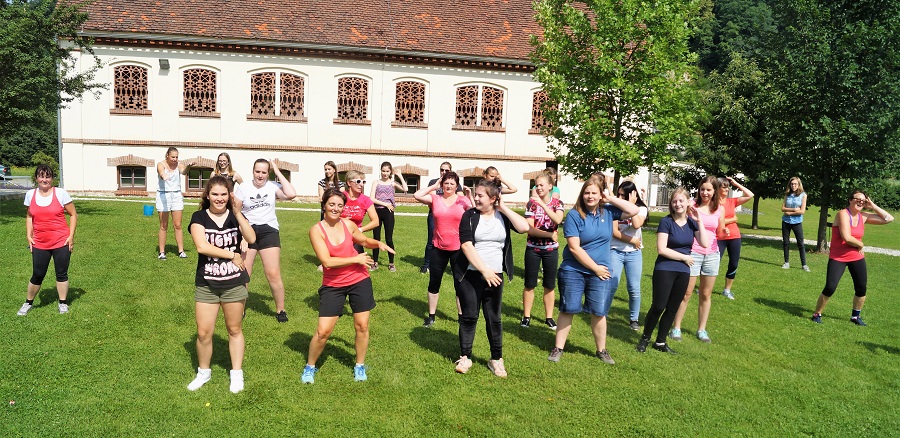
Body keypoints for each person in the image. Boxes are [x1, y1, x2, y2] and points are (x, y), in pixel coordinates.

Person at [301, 188, 394, 384]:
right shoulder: (316, 230)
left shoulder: (348, 224)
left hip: (359, 279)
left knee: (362, 325)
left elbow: (363, 240)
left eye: (340, 205)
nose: (335, 208)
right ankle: (310, 366)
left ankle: (359, 365)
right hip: (333, 284)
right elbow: (326, 261)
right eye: (331, 204)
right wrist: (356, 259)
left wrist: (378, 244)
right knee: (323, 331)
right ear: (324, 205)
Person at [547, 175, 638, 365]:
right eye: (587, 193)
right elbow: (574, 248)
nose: (590, 196)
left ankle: (601, 350)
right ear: (582, 194)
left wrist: (610, 198)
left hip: (601, 272)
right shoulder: (574, 215)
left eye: (594, 193)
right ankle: (558, 348)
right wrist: (595, 268)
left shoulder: (608, 212)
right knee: (568, 309)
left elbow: (634, 210)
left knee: (598, 311)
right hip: (574, 270)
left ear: (600, 195)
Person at [452, 180, 530, 377]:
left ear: (493, 198)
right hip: (470, 274)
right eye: (476, 195)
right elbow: (466, 245)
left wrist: (504, 208)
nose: (476, 198)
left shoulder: (502, 216)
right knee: (469, 316)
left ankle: (496, 359)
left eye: (481, 195)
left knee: (494, 318)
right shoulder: (469, 216)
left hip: (495, 276)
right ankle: (465, 357)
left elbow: (524, 227)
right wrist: (484, 270)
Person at [186, 175, 256, 393]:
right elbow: (201, 246)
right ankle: (203, 373)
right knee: (203, 332)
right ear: (208, 195)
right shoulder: (199, 217)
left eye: (223, 194)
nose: (219, 198)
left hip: (234, 283)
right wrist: (232, 255)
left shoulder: (235, 216)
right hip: (207, 283)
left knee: (234, 329)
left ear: (229, 195)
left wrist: (238, 213)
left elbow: (252, 238)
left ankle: (236, 374)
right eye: (215, 194)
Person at [635, 188, 709, 355]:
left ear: (688, 202)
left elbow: (704, 243)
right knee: (658, 306)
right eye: (675, 201)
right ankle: (645, 338)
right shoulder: (666, 222)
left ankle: (660, 342)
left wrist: (700, 221)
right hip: (665, 268)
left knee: (672, 308)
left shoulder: (692, 223)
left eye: (681, 201)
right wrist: (684, 257)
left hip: (683, 272)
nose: (678, 204)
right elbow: (662, 249)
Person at [811, 191, 893, 325]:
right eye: (857, 199)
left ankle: (855, 316)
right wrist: (861, 244)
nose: (860, 202)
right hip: (839, 257)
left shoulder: (863, 216)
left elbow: (888, 219)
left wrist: (872, 205)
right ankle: (817, 314)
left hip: (856, 257)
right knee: (830, 287)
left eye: (863, 201)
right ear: (850, 200)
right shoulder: (842, 214)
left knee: (861, 288)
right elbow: (847, 237)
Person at [234, 159, 297, 323]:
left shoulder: (273, 186)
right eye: (257, 171)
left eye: (264, 172)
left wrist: (277, 171)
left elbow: (291, 194)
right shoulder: (243, 188)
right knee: (244, 273)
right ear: (253, 171)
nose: (260, 175)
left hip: (269, 231)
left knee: (273, 273)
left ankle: (281, 309)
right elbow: (236, 212)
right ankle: (240, 309)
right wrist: (242, 235)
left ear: (268, 173)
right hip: (248, 231)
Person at [671, 176, 727, 343]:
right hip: (693, 254)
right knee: (686, 293)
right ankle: (676, 327)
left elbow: (720, 231)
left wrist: (724, 232)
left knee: (706, 294)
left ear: (715, 191)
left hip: (712, 254)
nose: (705, 193)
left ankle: (702, 330)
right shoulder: (691, 206)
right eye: (702, 189)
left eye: (709, 190)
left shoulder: (719, 209)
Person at [17, 164, 78, 316]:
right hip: (40, 242)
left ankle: (63, 303)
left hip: (61, 241)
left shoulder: (61, 193)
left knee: (61, 273)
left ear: (52, 178)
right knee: (37, 274)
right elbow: (29, 216)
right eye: (41, 176)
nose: (44, 180)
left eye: (48, 176)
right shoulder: (30, 195)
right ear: (36, 178)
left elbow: (73, 214)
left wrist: (70, 236)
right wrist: (29, 235)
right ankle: (28, 302)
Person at [414, 170, 472, 327]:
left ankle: (461, 317)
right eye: (446, 183)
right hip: (438, 248)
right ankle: (431, 316)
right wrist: (434, 186)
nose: (449, 186)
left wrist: (470, 196)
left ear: (457, 185)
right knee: (434, 282)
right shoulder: (435, 198)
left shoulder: (462, 200)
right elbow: (417, 195)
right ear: (442, 184)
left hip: (458, 248)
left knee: (459, 283)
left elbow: (475, 212)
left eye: (452, 183)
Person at [520, 172, 564, 330]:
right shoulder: (531, 204)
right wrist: (549, 235)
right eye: (536, 185)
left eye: (541, 185)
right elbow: (530, 229)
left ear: (550, 186)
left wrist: (544, 205)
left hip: (551, 250)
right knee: (529, 284)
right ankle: (526, 316)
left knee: (549, 285)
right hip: (533, 249)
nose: (538, 188)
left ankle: (549, 317)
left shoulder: (557, 203)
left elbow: (558, 219)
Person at [609, 180, 648, 331]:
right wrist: (633, 240)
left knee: (634, 287)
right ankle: (602, 313)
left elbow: (637, 224)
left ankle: (634, 319)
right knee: (612, 284)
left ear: (632, 195)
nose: (620, 198)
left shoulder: (641, 209)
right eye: (618, 195)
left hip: (634, 254)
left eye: (623, 195)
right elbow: (614, 232)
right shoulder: (613, 208)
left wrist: (631, 206)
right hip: (615, 250)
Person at [421, 162, 463, 274]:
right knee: (431, 241)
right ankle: (427, 264)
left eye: (446, 170)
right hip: (435, 215)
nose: (444, 172)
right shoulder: (434, 182)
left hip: (451, 216)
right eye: (442, 169)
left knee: (454, 240)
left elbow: (461, 198)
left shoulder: (455, 183)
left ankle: (454, 265)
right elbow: (432, 200)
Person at [716, 176, 754, 299]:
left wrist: (736, 183)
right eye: (724, 187)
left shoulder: (731, 201)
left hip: (734, 237)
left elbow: (750, 195)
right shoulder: (712, 203)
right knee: (713, 263)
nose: (727, 189)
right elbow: (714, 221)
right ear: (717, 188)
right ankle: (705, 287)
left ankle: (727, 290)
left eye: (728, 187)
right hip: (719, 237)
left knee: (733, 264)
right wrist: (732, 219)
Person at [370, 162, 408, 271]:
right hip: (377, 211)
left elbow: (405, 189)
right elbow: (372, 198)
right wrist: (385, 204)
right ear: (380, 171)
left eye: (387, 171)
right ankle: (375, 262)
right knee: (376, 238)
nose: (385, 173)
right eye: (383, 171)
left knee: (389, 239)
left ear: (390, 171)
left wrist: (400, 175)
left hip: (389, 213)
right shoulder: (376, 182)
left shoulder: (392, 183)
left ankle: (391, 263)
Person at [156, 147, 191, 260]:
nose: (175, 159)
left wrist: (189, 167)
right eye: (173, 157)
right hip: (163, 195)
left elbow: (184, 172)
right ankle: (162, 252)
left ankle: (181, 251)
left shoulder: (179, 164)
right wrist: (163, 175)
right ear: (167, 155)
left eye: (176, 157)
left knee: (178, 225)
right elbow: (161, 172)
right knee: (163, 225)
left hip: (176, 195)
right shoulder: (161, 164)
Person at [342, 170, 379, 253]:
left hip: (355, 236)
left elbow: (376, 222)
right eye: (358, 181)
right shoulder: (340, 196)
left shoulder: (366, 200)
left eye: (363, 182)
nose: (361, 185)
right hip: (339, 234)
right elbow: (328, 215)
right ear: (349, 183)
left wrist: (360, 230)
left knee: (359, 259)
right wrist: (341, 220)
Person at [781, 177, 810, 271]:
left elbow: (802, 211)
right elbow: (783, 208)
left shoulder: (803, 195)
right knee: (786, 242)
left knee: (800, 243)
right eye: (792, 184)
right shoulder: (787, 194)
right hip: (786, 221)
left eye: (795, 184)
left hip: (797, 222)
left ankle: (804, 265)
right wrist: (793, 209)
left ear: (799, 185)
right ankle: (786, 262)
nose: (793, 185)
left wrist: (790, 213)